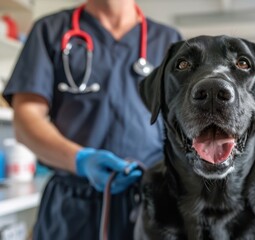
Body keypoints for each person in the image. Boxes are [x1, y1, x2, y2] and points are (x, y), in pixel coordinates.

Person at [2, 0, 181, 239]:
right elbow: (25, 122)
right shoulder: (50, 30)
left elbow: (184, 126)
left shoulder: (168, 40)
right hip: (72, 207)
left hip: (152, 203)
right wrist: (81, 160)